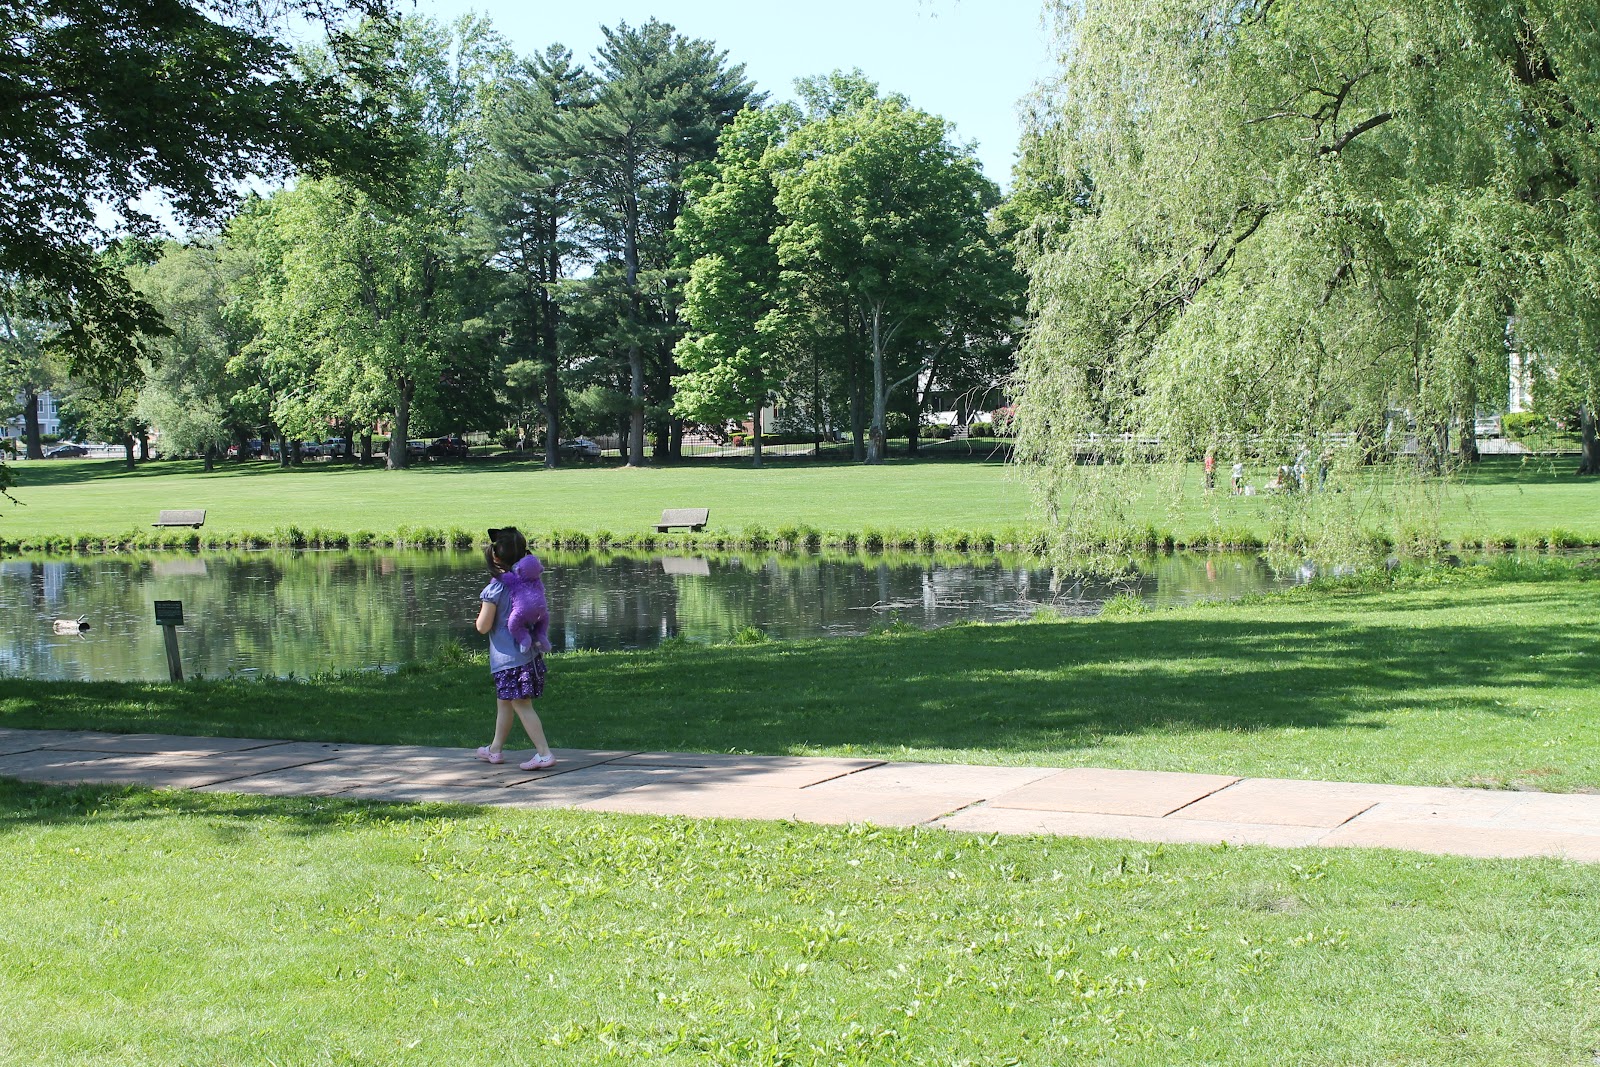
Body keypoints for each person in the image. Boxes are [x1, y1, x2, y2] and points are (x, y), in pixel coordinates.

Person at [474, 526, 556, 770]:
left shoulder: (495, 589)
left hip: (509, 661)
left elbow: (482, 626)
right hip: (528, 656)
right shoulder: (529, 582)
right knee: (505, 703)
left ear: (495, 557)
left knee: (521, 704)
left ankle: (544, 753)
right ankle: (495, 749)